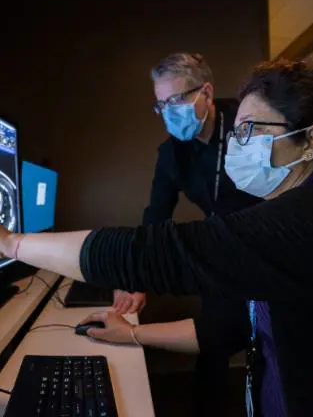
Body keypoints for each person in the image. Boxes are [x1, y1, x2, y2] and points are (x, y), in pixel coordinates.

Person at [0, 60, 313, 417]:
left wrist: (9, 243)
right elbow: (232, 326)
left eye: (251, 130)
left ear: (311, 141)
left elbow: (164, 252)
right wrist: (134, 333)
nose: (237, 145)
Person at [112, 52, 261, 415]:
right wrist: (135, 276)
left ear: (206, 93)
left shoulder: (248, 124)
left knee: (267, 341)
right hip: (220, 247)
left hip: (265, 241)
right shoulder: (172, 154)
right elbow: (155, 215)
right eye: (161, 104)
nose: (169, 110)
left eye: (177, 99)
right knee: (212, 343)